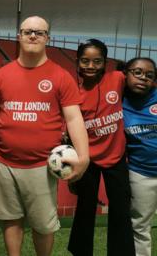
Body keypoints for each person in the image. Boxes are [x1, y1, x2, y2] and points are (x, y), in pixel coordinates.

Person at [0, 16, 89, 256]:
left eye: (39, 33)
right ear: (19, 35)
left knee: (43, 225)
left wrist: (84, 157)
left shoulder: (61, 76)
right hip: (5, 163)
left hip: (42, 165)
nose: (33, 36)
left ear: (47, 39)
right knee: (11, 219)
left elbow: (74, 119)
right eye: (28, 31)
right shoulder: (0, 75)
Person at [67, 39, 135, 256]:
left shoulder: (117, 79)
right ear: (77, 62)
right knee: (85, 210)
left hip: (116, 157)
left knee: (121, 211)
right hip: (88, 159)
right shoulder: (73, 92)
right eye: (85, 61)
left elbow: (142, 79)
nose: (90, 66)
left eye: (97, 61)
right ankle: (81, 252)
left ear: (105, 63)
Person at [122, 57, 157, 256]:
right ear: (125, 73)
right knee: (140, 227)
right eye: (137, 72)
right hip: (141, 175)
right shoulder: (117, 102)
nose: (143, 77)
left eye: (149, 75)